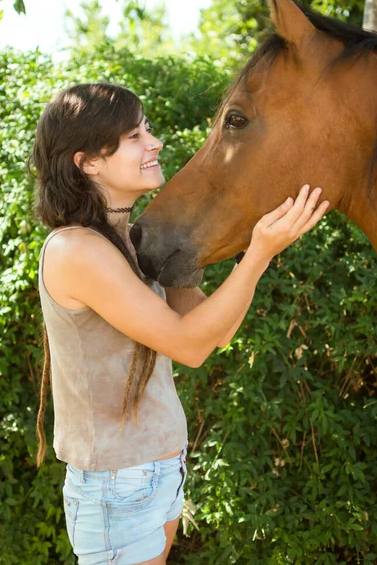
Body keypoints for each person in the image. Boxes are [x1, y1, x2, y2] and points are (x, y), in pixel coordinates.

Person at [30, 82, 329, 565]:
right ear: (87, 162)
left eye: (146, 128)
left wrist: (230, 252)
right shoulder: (76, 250)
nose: (155, 143)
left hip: (158, 470)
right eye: (133, 135)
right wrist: (258, 254)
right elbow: (189, 347)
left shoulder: (129, 243)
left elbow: (217, 332)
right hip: (118, 483)